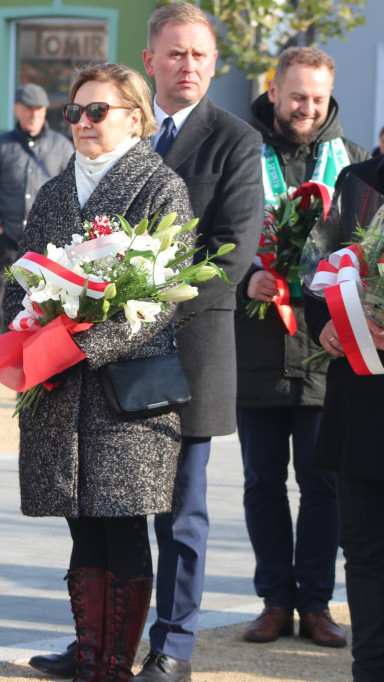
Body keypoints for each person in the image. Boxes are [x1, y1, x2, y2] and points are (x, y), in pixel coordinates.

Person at [29, 8, 265, 678]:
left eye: (200, 54)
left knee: (179, 516)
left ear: (214, 63)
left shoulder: (235, 142)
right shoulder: (106, 137)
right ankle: (99, 647)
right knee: (98, 508)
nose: (188, 65)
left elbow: (231, 255)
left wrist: (140, 307)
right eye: (175, 54)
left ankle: (173, 646)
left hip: (185, 359)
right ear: (151, 60)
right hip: (91, 361)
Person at [2, 62, 193, 682]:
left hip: (122, 390)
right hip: (58, 389)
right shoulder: (56, 191)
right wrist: (27, 325)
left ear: (135, 117)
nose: (82, 123)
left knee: (122, 526)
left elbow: (162, 300)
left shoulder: (160, 187)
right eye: (75, 113)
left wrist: (86, 345)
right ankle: (87, 656)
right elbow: (23, 278)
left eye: (97, 111)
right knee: (80, 525)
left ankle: (114, 664)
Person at [234, 45, 367, 652]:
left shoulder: (357, 165)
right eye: (296, 96)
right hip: (256, 347)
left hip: (328, 354)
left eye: (317, 98)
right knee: (263, 483)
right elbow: (211, 241)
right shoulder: (240, 153)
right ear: (274, 89)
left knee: (324, 485)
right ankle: (274, 602)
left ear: (329, 95)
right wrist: (243, 281)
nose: (306, 108)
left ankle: (315, 604)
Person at [305, 154, 384, 681]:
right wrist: (325, 328)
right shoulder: (359, 180)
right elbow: (317, 265)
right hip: (365, 399)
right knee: (365, 548)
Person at [0, 83, 73, 403]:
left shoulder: (61, 147)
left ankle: (32, 381)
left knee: (42, 314)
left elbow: (73, 192)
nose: (33, 115)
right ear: (16, 109)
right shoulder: (0, 146)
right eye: (27, 108)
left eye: (39, 110)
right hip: (6, 244)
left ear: (45, 113)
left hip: (45, 251)